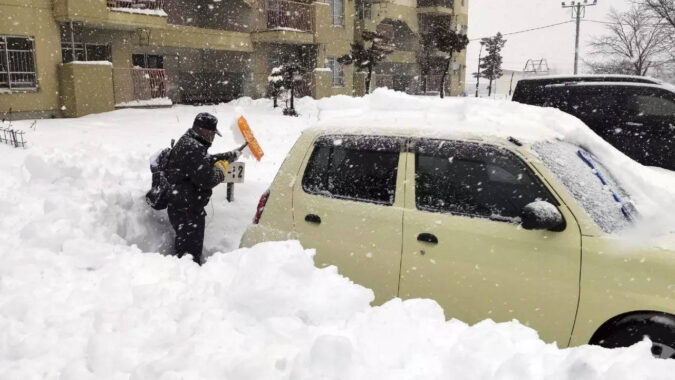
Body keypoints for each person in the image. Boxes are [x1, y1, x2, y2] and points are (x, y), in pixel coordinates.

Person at [166, 112, 241, 265]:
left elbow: (204, 161)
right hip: (186, 210)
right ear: (204, 131)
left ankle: (186, 272)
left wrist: (228, 156)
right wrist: (221, 170)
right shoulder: (192, 148)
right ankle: (188, 279)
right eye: (213, 134)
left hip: (184, 206)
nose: (213, 138)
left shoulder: (191, 143)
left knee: (186, 251)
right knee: (189, 256)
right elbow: (207, 180)